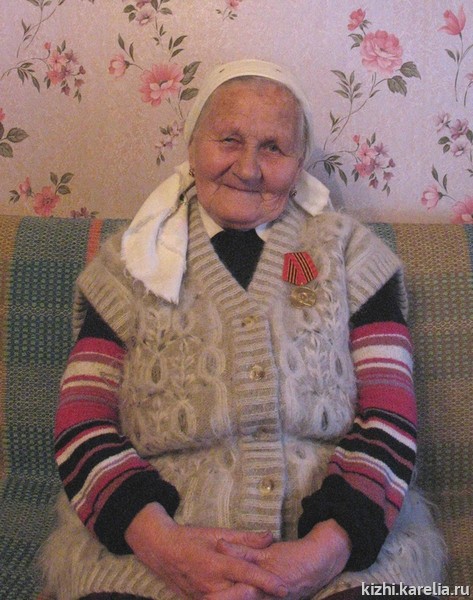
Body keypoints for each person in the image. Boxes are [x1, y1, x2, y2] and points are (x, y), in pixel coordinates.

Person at [41, 60, 445, 600]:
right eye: (229, 140)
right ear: (193, 147)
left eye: (273, 148)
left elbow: (391, 415)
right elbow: (81, 421)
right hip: (152, 551)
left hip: (344, 550)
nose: (249, 168)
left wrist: (325, 552)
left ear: (298, 165)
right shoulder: (128, 267)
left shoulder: (353, 257)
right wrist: (163, 545)